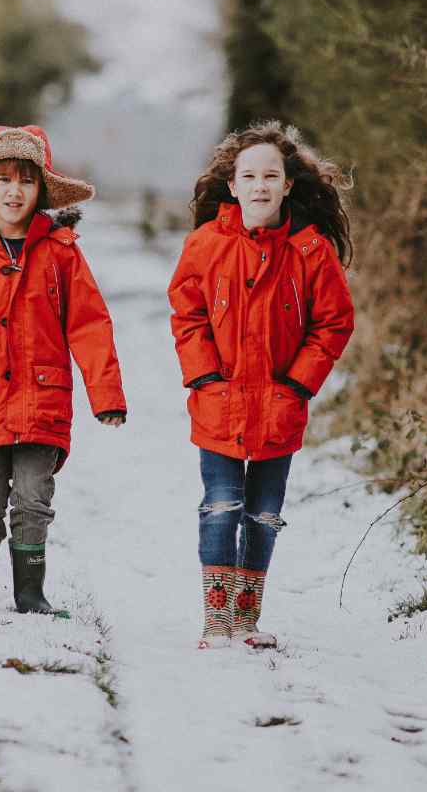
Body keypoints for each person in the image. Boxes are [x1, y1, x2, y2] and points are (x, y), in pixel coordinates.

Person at [0, 124, 127, 615]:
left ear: (42, 192)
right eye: (4, 180)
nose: (14, 192)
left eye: (27, 181)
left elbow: (90, 325)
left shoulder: (62, 253)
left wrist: (107, 397)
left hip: (43, 403)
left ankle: (30, 593)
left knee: (35, 499)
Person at [167, 121, 355, 648]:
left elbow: (335, 322)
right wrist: (204, 375)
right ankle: (216, 620)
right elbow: (187, 313)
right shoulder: (205, 245)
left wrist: (297, 384)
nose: (260, 186)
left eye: (271, 176)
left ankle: (246, 620)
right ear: (232, 185)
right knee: (221, 506)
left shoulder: (310, 251)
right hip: (218, 402)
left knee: (264, 515)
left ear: (288, 184)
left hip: (279, 406)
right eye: (249, 176)